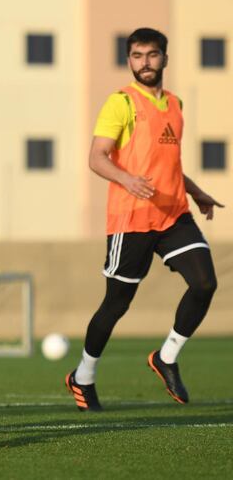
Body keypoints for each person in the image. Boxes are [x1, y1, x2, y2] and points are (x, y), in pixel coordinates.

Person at [66, 28, 223, 411]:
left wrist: (196, 191)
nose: (145, 62)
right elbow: (97, 157)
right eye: (137, 56)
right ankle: (82, 376)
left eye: (152, 55)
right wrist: (127, 179)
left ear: (165, 58)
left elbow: (167, 164)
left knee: (204, 283)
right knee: (116, 305)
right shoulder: (120, 103)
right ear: (129, 60)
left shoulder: (176, 104)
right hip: (131, 219)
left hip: (174, 215)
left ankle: (167, 356)